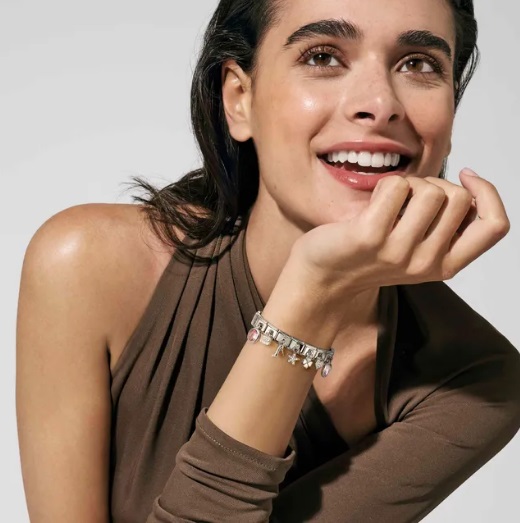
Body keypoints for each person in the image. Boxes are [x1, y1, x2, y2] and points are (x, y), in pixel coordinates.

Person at [16, 0, 520, 521]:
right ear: (240, 99)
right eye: (323, 57)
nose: (380, 104)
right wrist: (312, 296)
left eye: (418, 64)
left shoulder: (476, 382)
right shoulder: (89, 266)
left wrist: (316, 288)